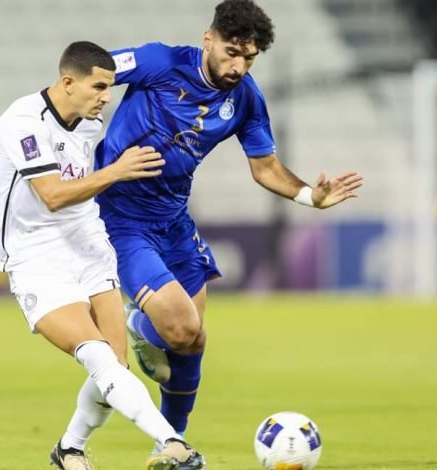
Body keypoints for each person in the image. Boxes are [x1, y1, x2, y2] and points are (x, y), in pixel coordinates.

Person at [94, 0, 364, 442]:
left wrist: (309, 197)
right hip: (121, 219)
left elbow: (265, 167)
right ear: (209, 39)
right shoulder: (159, 62)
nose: (238, 66)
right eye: (231, 53)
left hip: (174, 220)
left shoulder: (245, 98)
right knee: (180, 327)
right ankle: (137, 326)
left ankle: (174, 444)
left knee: (193, 340)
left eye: (249, 58)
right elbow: (94, 69)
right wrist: (71, 129)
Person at [0, 41, 206, 470]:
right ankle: (172, 442)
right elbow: (52, 195)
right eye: (99, 87)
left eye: (109, 87)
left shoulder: (89, 123)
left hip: (89, 247)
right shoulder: (23, 122)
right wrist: (116, 171)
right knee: (99, 357)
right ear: (68, 82)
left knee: (116, 366)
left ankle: (69, 449)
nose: (107, 96)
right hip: (36, 258)